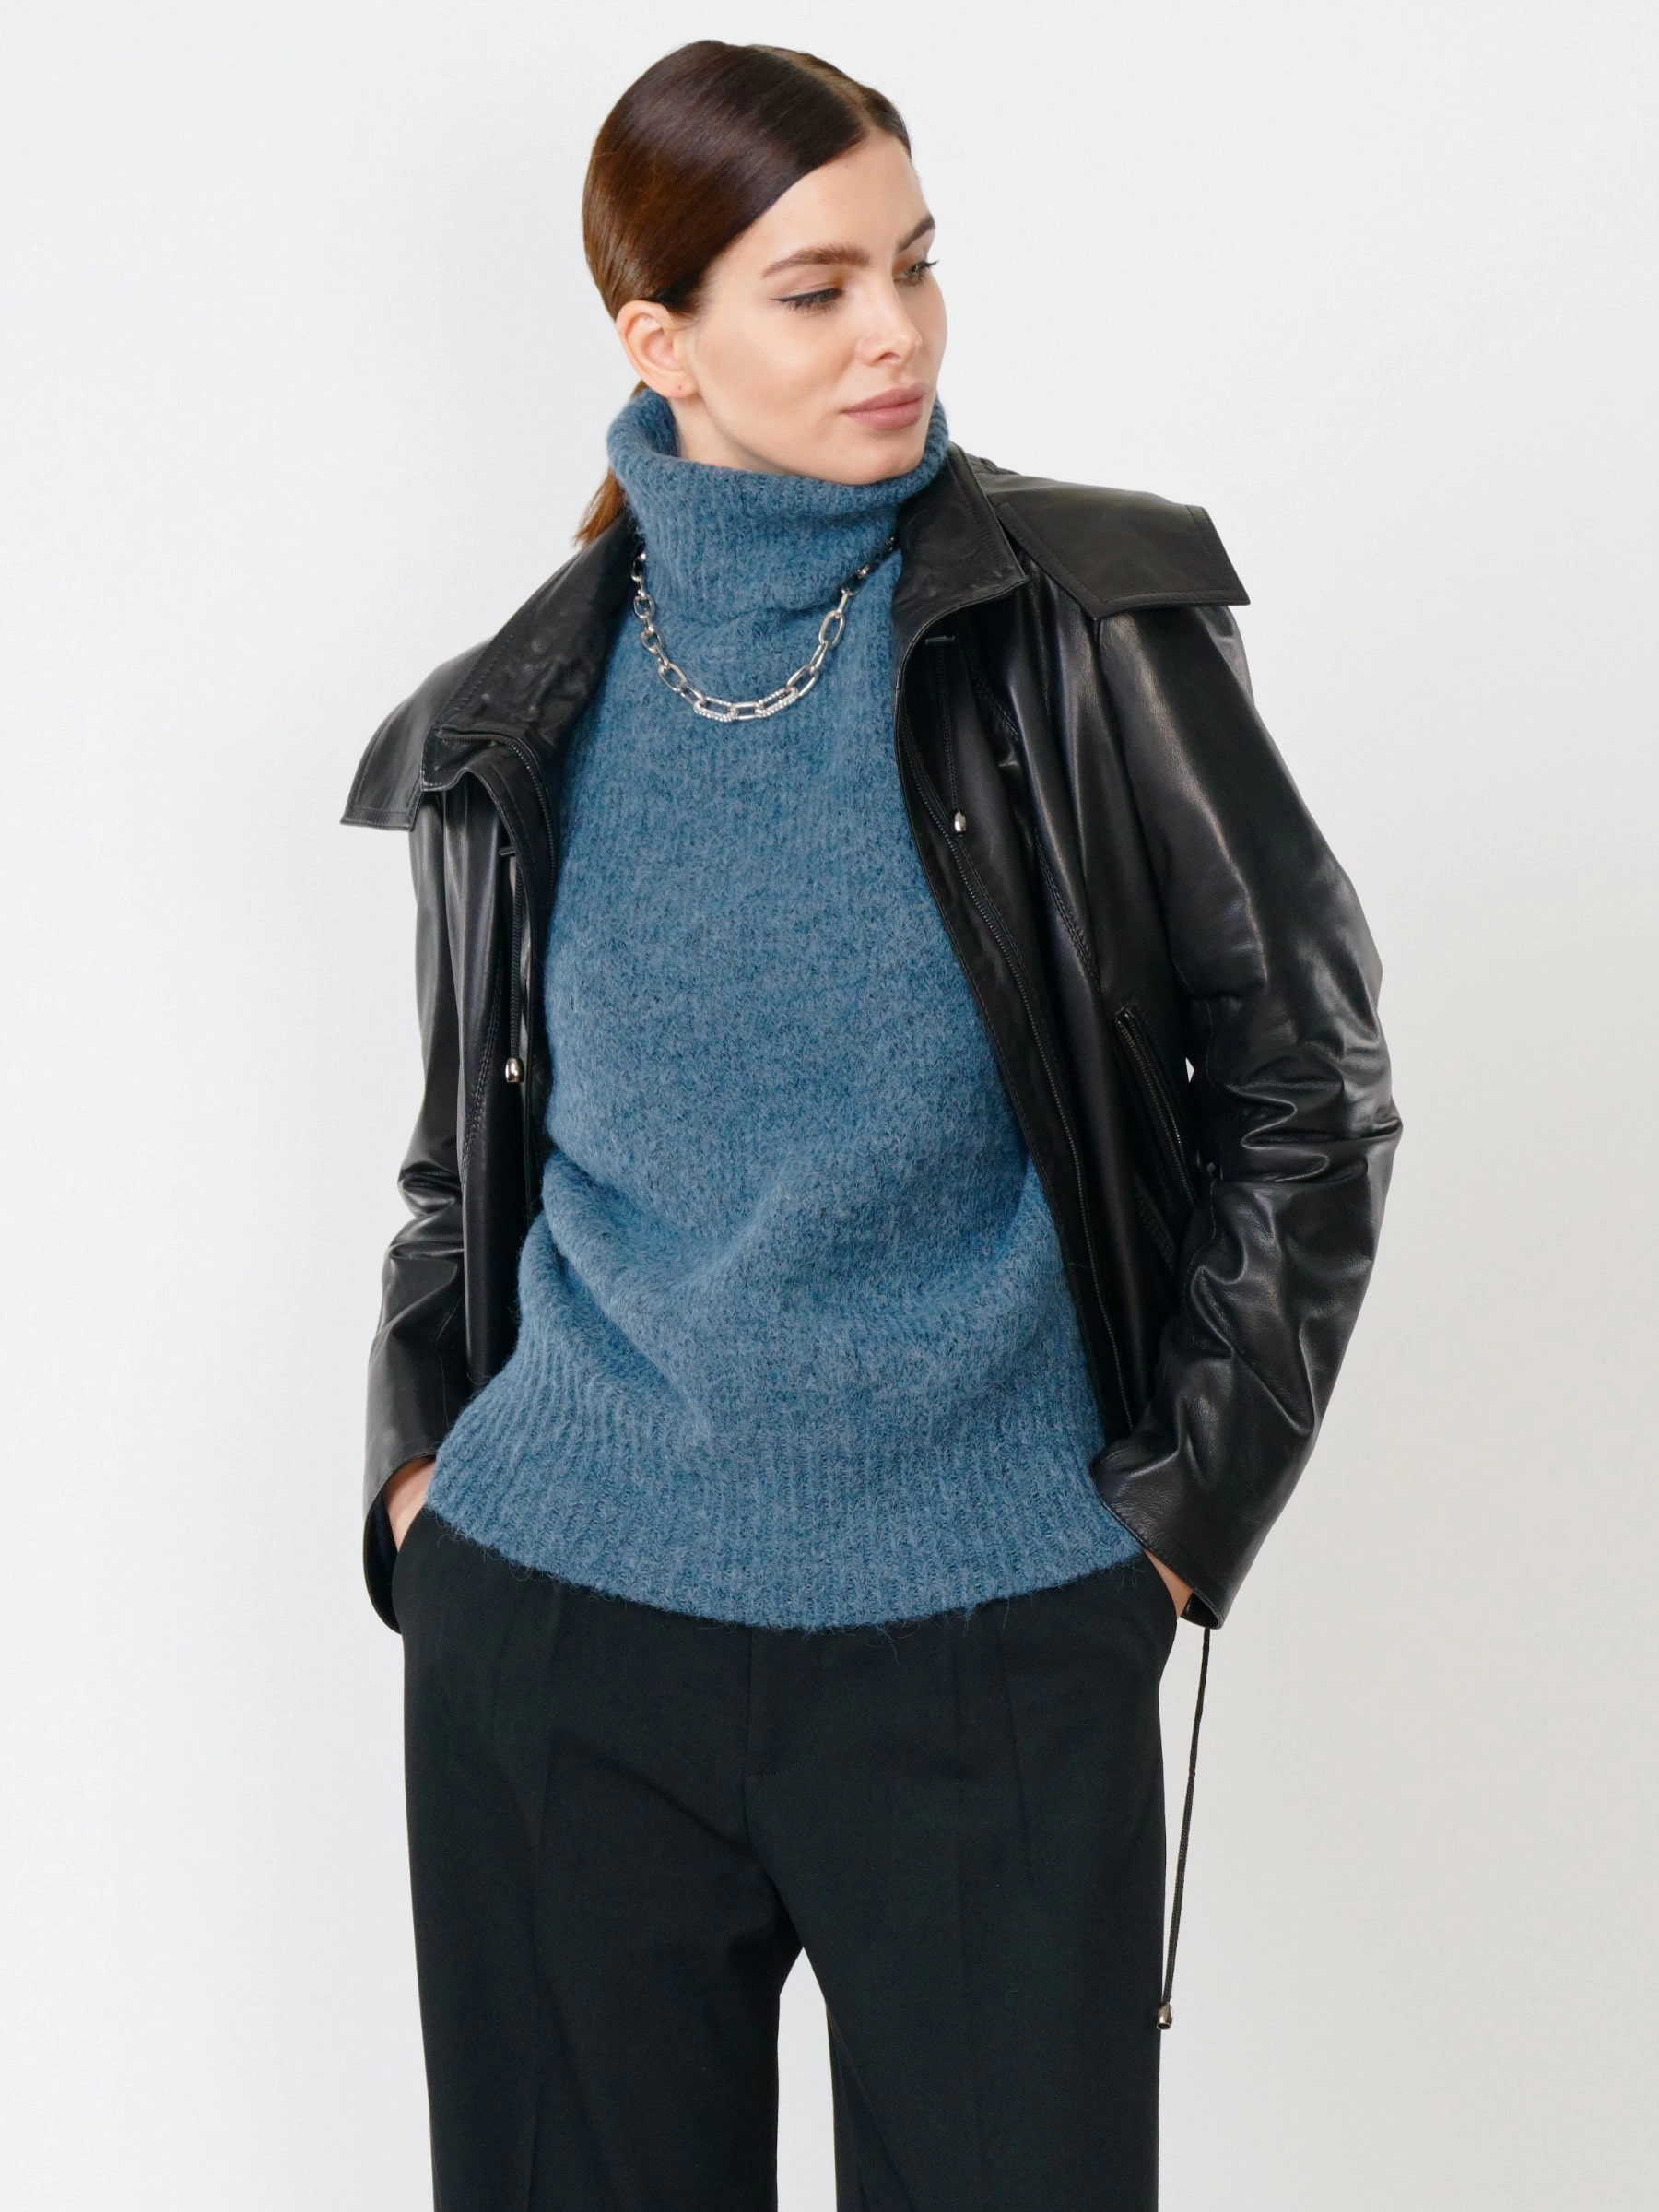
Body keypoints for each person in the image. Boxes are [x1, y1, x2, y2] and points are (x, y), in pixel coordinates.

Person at [341, 39, 1400, 2212]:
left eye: (914, 264)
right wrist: (418, 1489)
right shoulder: (509, 720)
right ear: (660, 342)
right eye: (815, 290)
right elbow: (459, 1162)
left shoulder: (1088, 630)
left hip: (989, 1641)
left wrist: (1171, 1530)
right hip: (559, 1645)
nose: (895, 332)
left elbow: (1310, 1085)